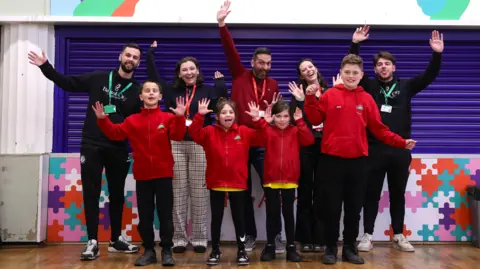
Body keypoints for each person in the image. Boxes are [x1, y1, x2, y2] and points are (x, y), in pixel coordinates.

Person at [28, 44, 142, 260]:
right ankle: (92, 241)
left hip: (118, 147)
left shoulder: (137, 90)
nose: (130, 59)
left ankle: (116, 239)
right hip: (91, 144)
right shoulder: (98, 77)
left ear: (138, 62)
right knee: (91, 193)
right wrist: (46, 67)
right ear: (120, 56)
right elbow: (69, 83)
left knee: (117, 195)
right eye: (128, 55)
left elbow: (138, 123)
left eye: (135, 57)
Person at [304, 54, 417, 265]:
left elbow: (380, 130)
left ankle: (349, 249)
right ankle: (330, 248)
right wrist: (310, 99)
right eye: (347, 72)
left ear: (361, 75)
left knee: (354, 208)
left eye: (355, 73)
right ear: (341, 73)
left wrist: (401, 142)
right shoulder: (329, 95)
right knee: (332, 208)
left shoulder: (366, 99)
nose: (351, 76)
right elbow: (315, 118)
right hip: (331, 161)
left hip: (358, 163)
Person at [348, 26, 444, 252]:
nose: (383, 67)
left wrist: (437, 54)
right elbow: (352, 67)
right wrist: (355, 44)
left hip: (400, 149)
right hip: (374, 148)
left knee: (397, 194)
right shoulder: (368, 86)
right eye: (379, 64)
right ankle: (368, 235)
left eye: (387, 63)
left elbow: (429, 75)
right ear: (374, 69)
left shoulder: (406, 86)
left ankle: (399, 234)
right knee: (370, 194)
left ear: (393, 67)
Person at [146, 41, 228, 254]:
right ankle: (179, 238)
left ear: (198, 71)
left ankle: (200, 238)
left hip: (201, 145)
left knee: (200, 193)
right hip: (176, 144)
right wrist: (150, 54)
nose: (189, 72)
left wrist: (221, 87)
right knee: (178, 192)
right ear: (180, 74)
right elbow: (153, 77)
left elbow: (224, 107)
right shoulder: (172, 90)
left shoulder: (209, 90)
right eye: (185, 70)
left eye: (192, 68)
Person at [93, 81, 186, 266]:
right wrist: (103, 119)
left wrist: (180, 117)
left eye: (155, 91)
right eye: (147, 91)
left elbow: (178, 135)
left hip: (164, 174)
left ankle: (167, 250)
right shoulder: (132, 120)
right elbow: (115, 133)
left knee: (166, 215)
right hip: (142, 175)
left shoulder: (167, 118)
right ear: (141, 96)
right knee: (145, 216)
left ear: (160, 96)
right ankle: (149, 250)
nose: (151, 94)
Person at [216, 0, 282, 253]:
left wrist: (271, 119)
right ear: (253, 62)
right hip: (239, 142)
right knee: (241, 193)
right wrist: (222, 24)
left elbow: (277, 114)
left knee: (272, 190)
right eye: (261, 62)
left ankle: (275, 237)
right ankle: (248, 235)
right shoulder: (239, 75)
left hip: (264, 143)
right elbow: (229, 49)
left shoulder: (274, 84)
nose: (265, 67)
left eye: (268, 63)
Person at [188, 98, 264, 266]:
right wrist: (199, 116)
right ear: (217, 116)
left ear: (235, 115)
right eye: (224, 112)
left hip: (238, 183)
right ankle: (215, 250)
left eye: (231, 112)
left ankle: (242, 250)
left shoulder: (244, 131)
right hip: (216, 183)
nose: (227, 115)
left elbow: (264, 137)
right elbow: (193, 133)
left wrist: (258, 120)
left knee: (239, 218)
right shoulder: (208, 132)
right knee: (216, 218)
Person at [251, 100, 314, 262]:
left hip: (290, 179)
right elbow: (257, 140)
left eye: (286, 116)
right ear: (273, 117)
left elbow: (309, 140)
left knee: (288, 214)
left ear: (291, 117)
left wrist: (300, 121)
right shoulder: (268, 130)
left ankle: (291, 246)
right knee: (272, 214)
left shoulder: (295, 130)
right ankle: (270, 245)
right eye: (278, 116)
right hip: (271, 179)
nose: (282, 120)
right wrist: (262, 122)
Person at [288, 59, 330, 253]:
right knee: (305, 193)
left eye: (310, 66)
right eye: (304, 69)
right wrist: (300, 100)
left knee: (322, 192)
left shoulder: (329, 90)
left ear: (316, 69)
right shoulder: (299, 93)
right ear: (302, 75)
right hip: (305, 146)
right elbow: (292, 120)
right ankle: (304, 238)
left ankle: (321, 237)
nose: (308, 70)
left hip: (326, 146)